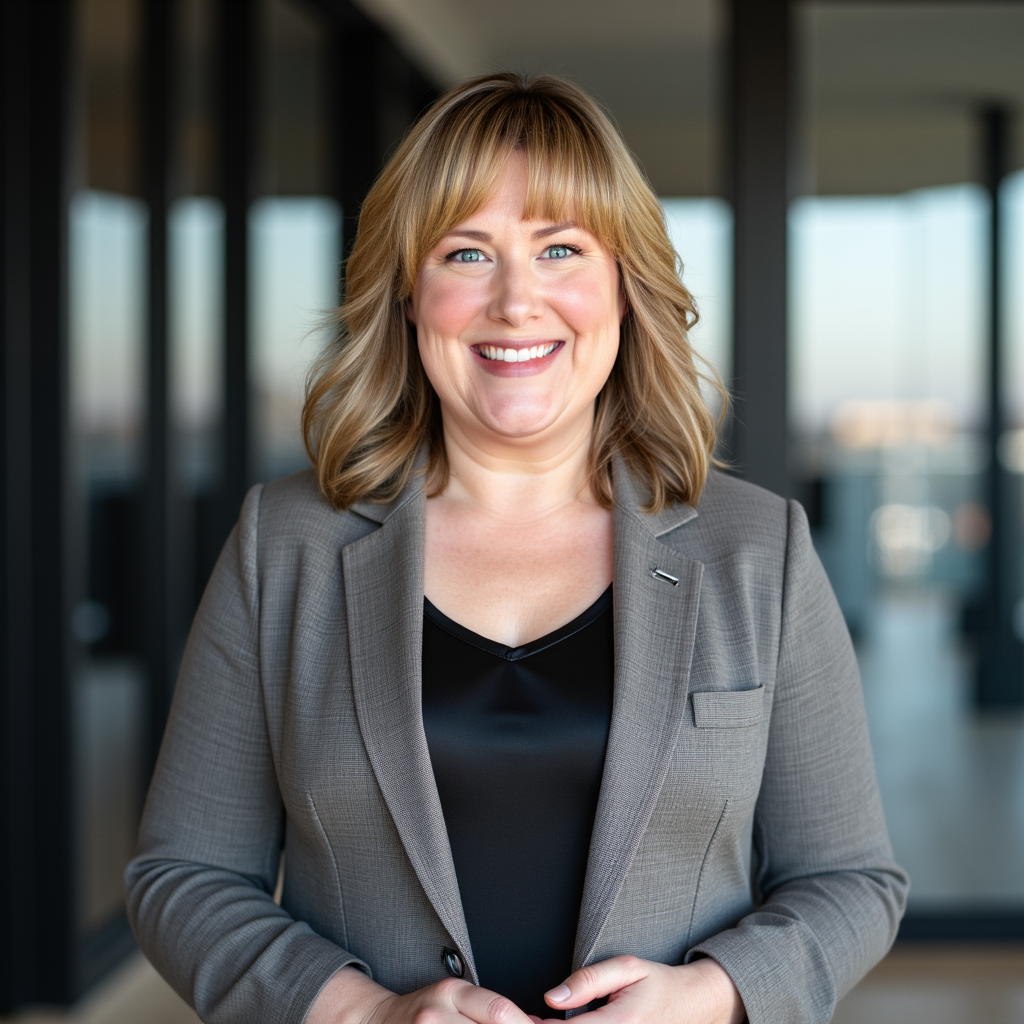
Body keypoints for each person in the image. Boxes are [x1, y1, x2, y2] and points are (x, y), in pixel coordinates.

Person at [125, 73, 908, 1024]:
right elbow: (185, 875)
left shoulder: (758, 550)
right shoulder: (281, 545)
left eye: (561, 248)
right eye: (466, 253)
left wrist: (711, 995)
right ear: (409, 296)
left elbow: (851, 879)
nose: (515, 301)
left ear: (625, 287)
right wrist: (362, 1014)